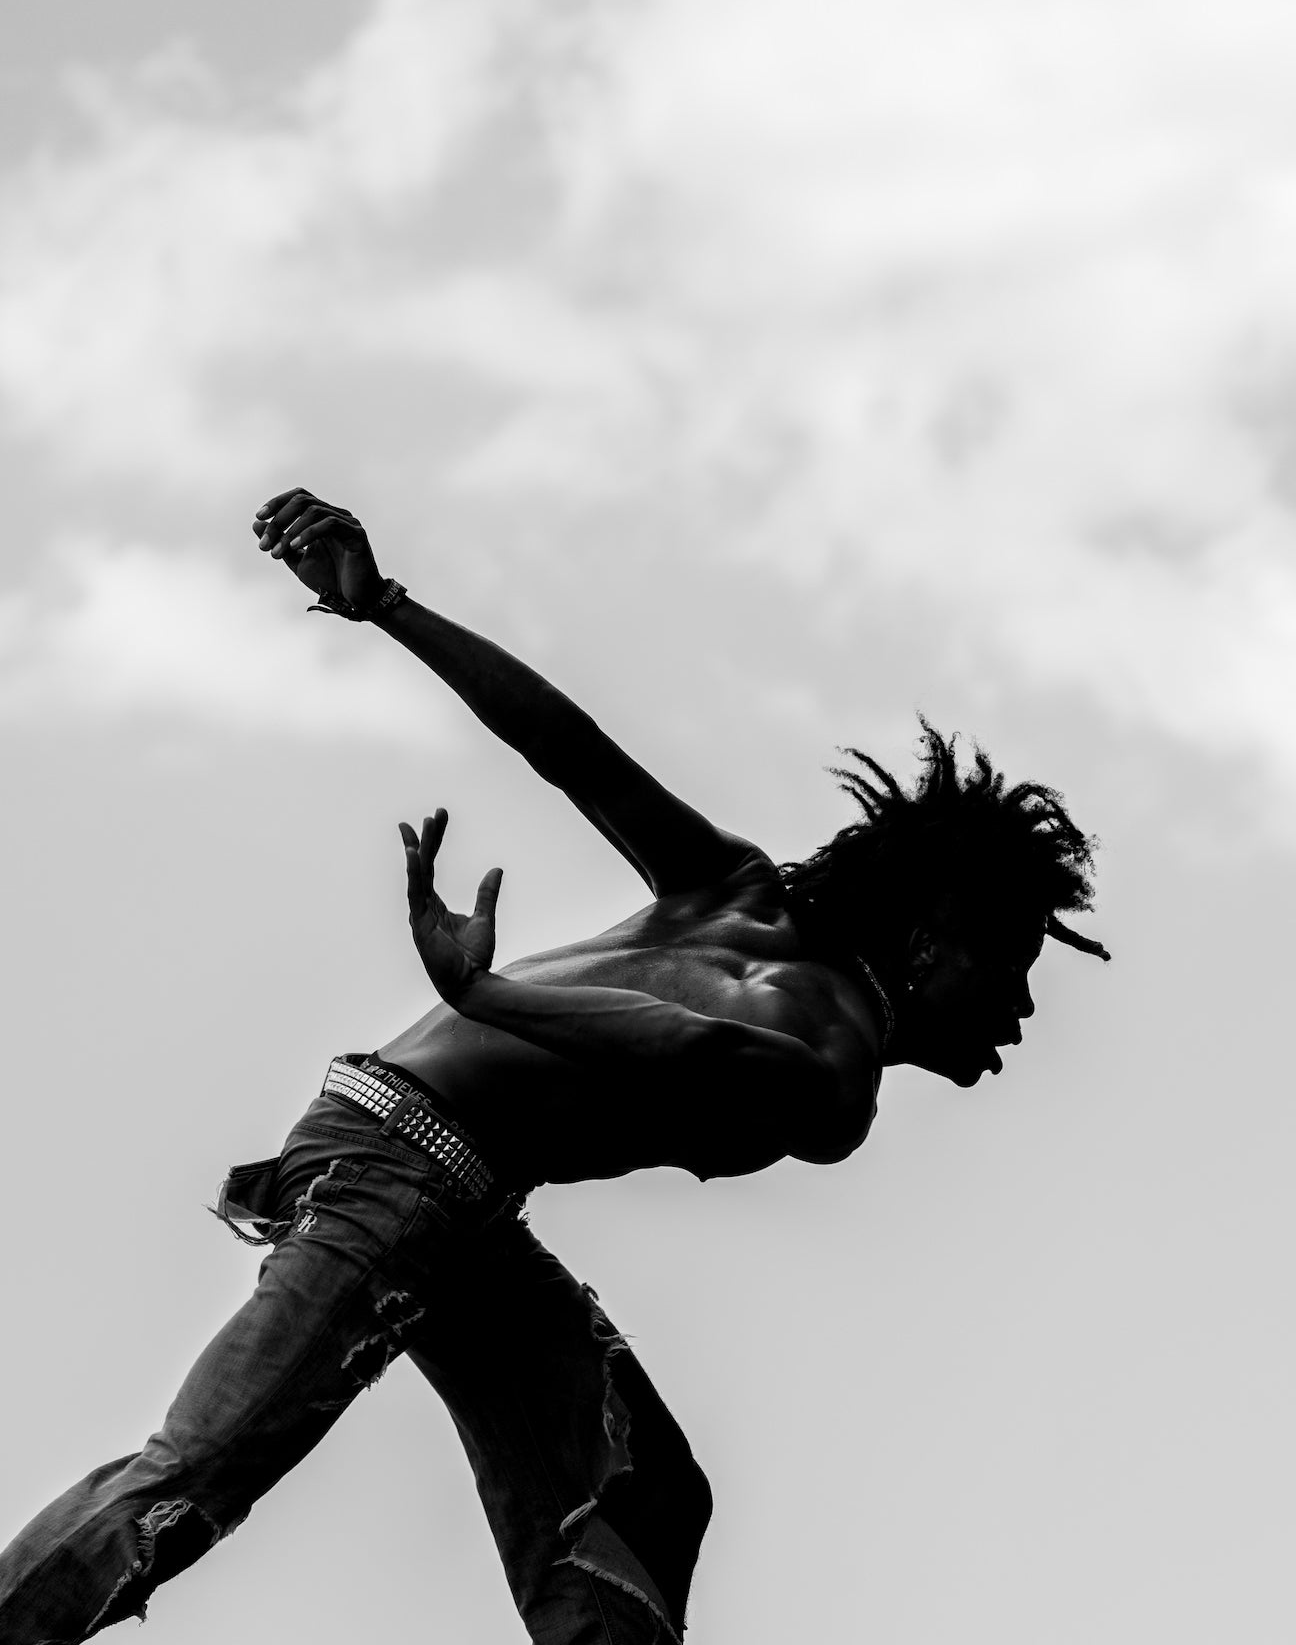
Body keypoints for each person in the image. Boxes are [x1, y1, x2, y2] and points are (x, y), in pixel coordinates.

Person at [0, 487, 1109, 1645]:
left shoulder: (737, 888)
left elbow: (567, 749)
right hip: (402, 1174)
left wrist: (388, 606)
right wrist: (491, 995)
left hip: (443, 1183)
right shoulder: (834, 1063)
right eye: (1016, 963)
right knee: (194, 1478)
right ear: (930, 945)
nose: (1024, 1011)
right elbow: (698, 1041)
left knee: (639, 1492)